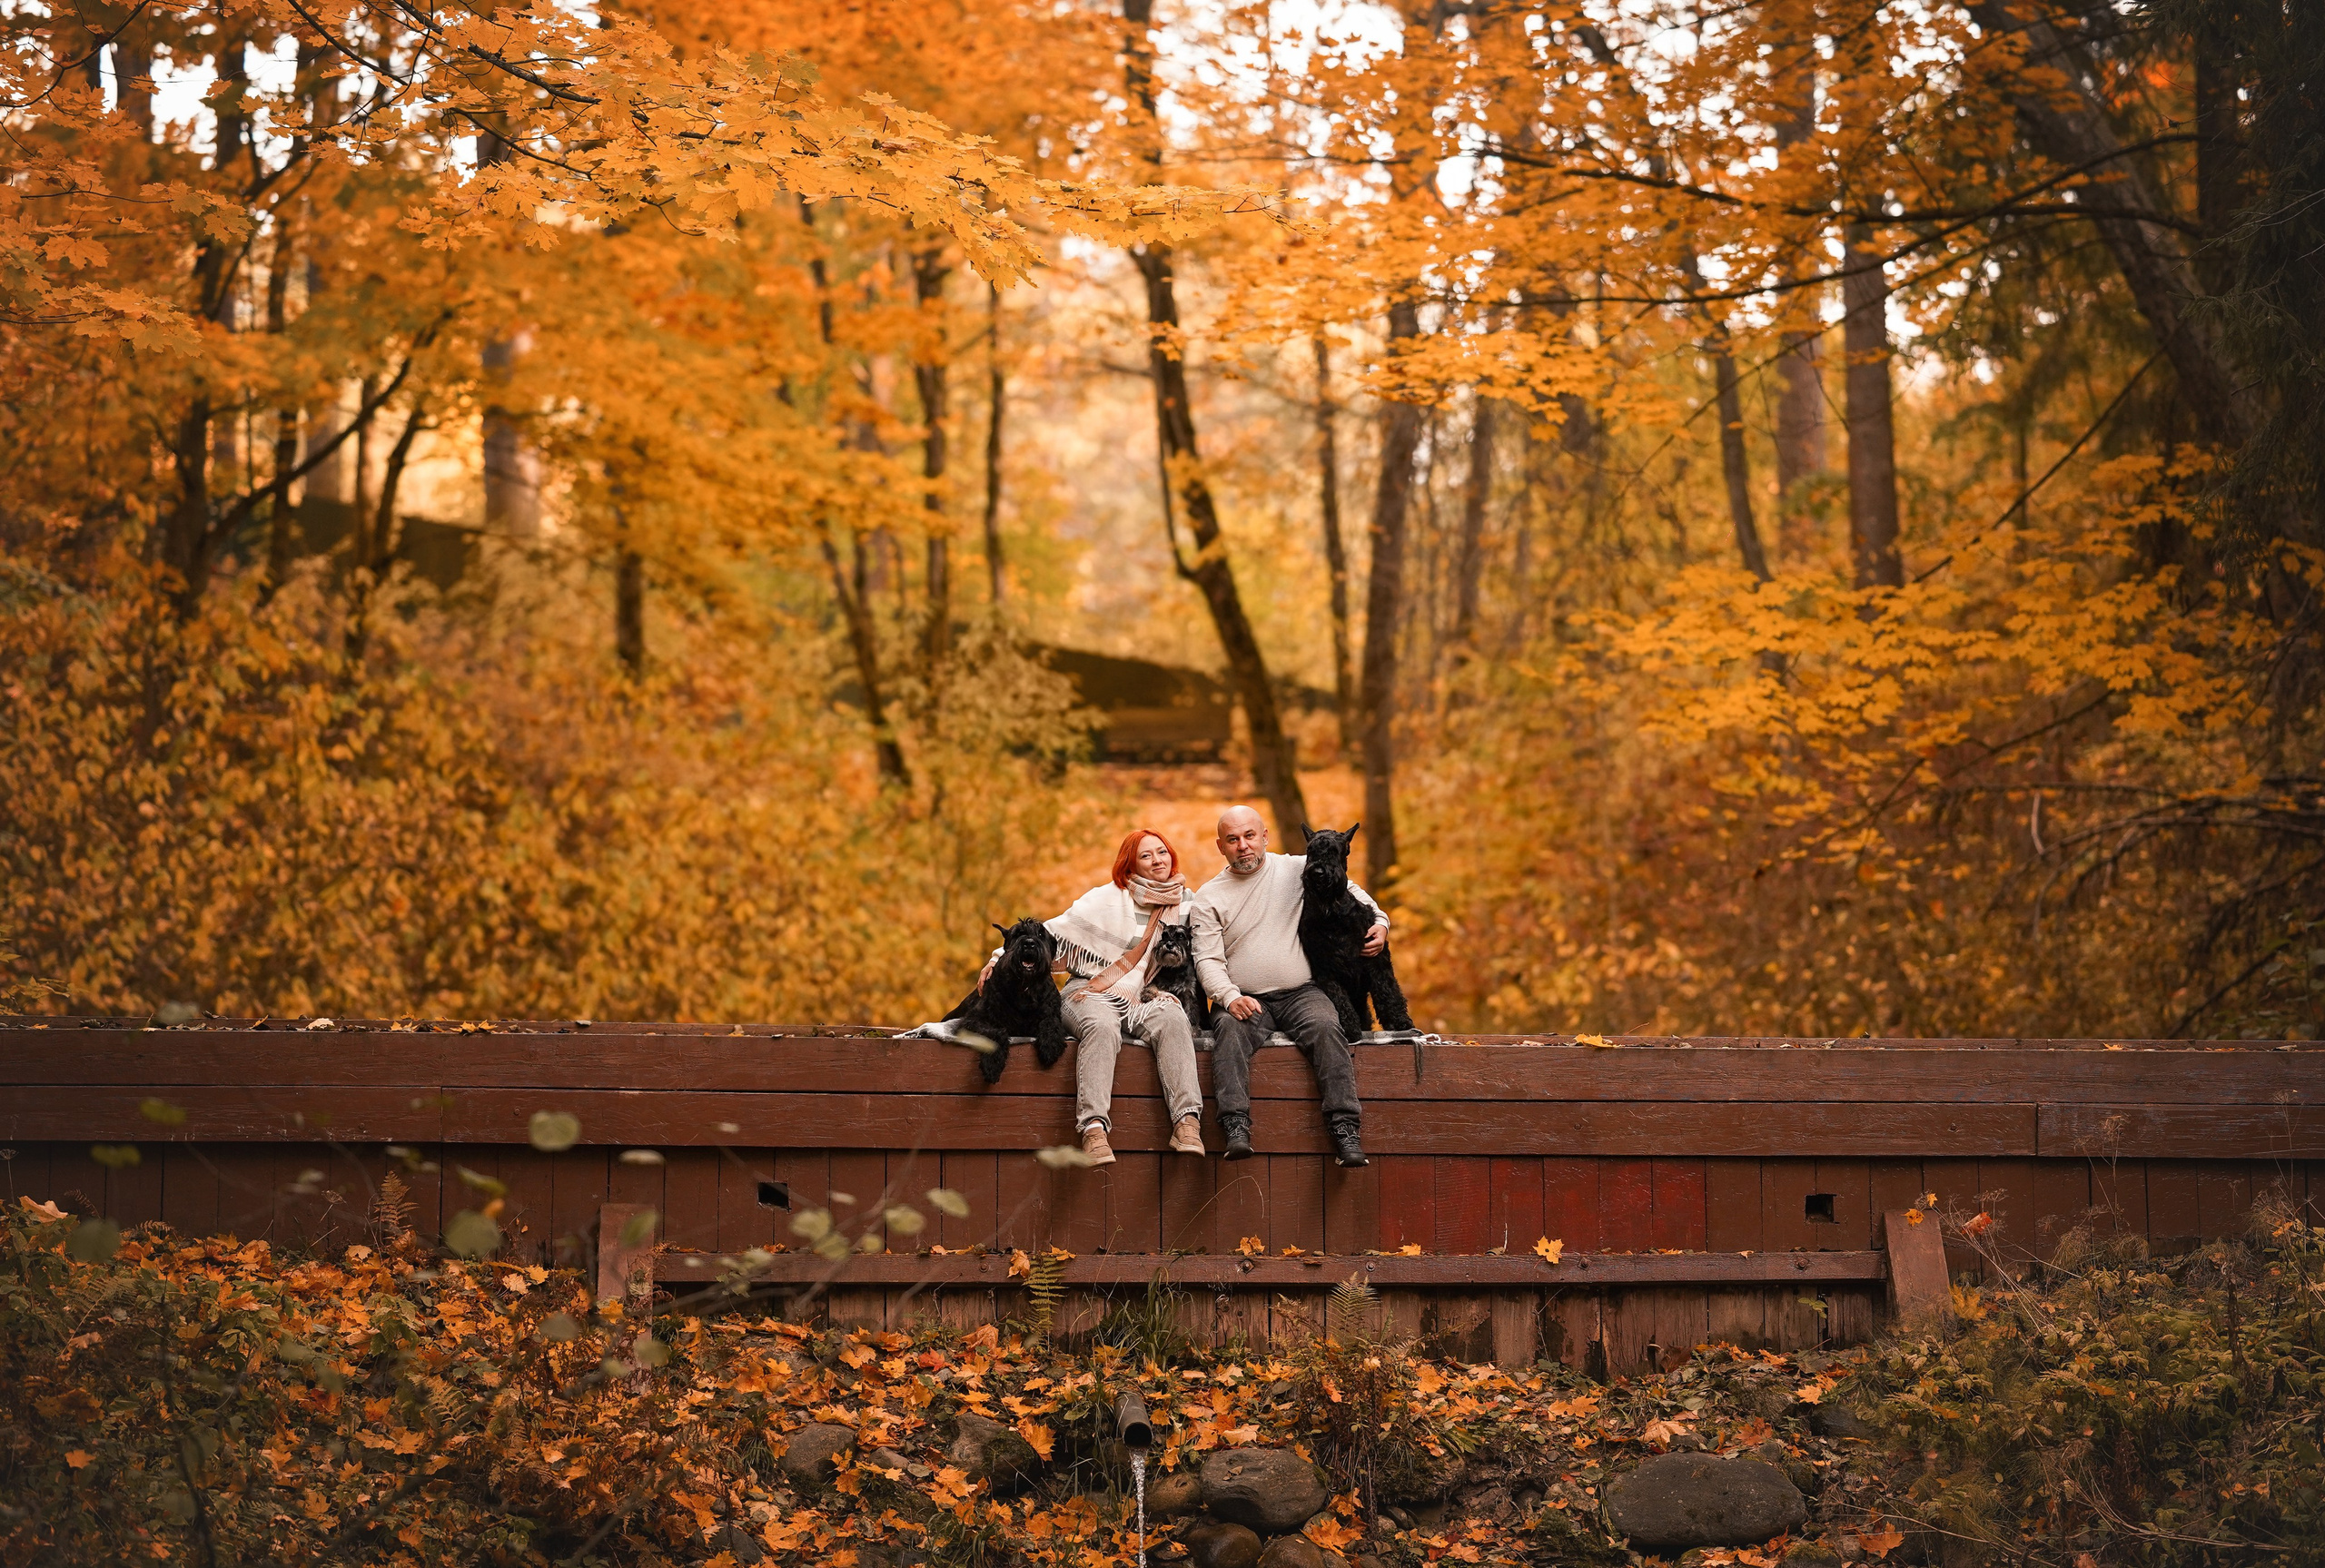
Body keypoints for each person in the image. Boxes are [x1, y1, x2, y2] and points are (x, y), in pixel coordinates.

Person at [981, 828, 1206, 1167]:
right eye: (1146, 856)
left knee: (1174, 1019)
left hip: (1145, 995)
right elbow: (1048, 932)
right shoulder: (1104, 900)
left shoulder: (1186, 902)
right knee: (1102, 1027)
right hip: (1089, 988)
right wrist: (999, 957)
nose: (1157, 860)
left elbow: (1213, 941)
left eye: (1162, 852)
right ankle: (1094, 1129)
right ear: (1129, 866)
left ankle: (1187, 1123)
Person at [1189, 804, 1387, 1168]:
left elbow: (1353, 890)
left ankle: (1345, 1129)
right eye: (1233, 839)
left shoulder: (1297, 869)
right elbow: (1207, 960)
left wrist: (1383, 924)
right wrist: (1229, 997)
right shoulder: (1208, 897)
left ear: (1264, 837)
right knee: (1228, 1036)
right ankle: (1235, 1126)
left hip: (1302, 992)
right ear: (1221, 847)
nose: (1243, 846)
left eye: (1250, 836)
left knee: (1329, 1028)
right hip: (1243, 999)